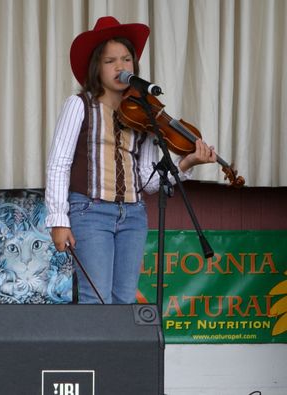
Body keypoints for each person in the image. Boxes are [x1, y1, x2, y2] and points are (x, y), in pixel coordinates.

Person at [45, 16, 217, 305]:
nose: (120, 66)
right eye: (110, 60)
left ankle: (118, 353)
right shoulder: (79, 105)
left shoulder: (144, 112)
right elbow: (58, 164)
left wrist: (185, 164)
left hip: (133, 215)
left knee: (124, 300)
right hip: (90, 211)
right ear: (96, 68)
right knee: (96, 298)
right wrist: (58, 220)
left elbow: (147, 179)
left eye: (126, 59)